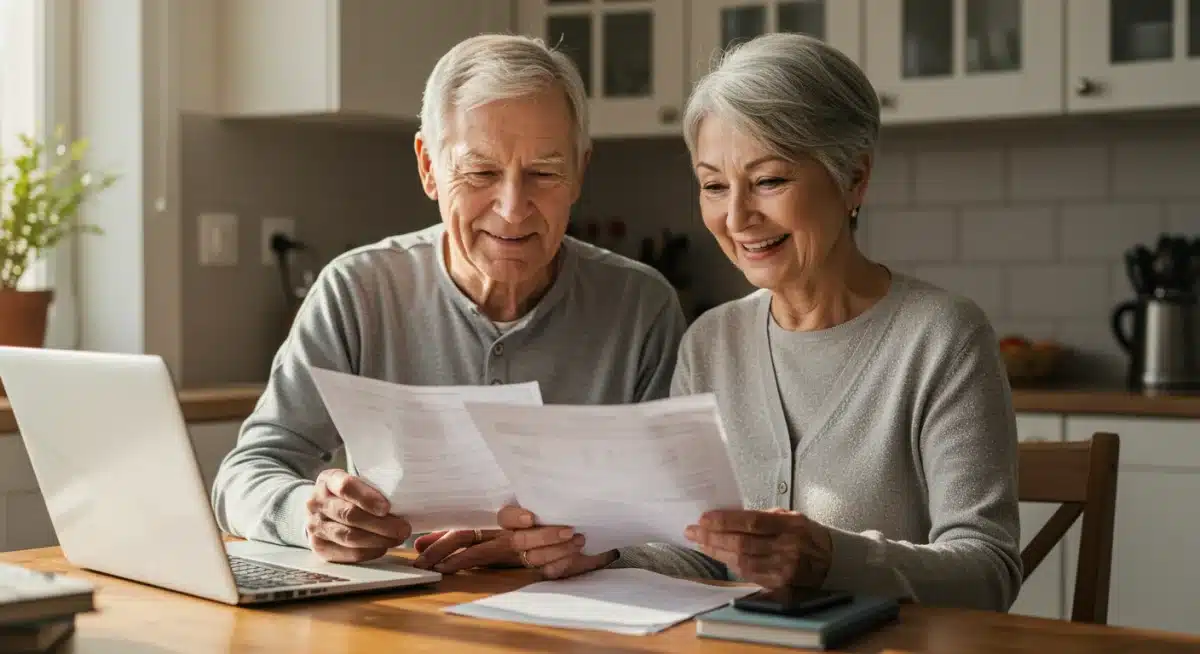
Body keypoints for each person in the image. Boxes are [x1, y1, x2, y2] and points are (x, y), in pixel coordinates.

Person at [500, 33, 1023, 612]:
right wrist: (604, 554)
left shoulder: (942, 337)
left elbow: (989, 572)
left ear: (853, 178)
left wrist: (829, 557)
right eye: (714, 186)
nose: (738, 216)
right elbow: (699, 552)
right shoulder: (710, 342)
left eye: (770, 180)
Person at [210, 33, 688, 573]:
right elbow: (245, 474)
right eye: (481, 172)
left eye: (544, 172)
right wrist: (310, 516)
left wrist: (591, 544)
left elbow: (682, 528)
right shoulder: (356, 292)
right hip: (393, 619)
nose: (512, 209)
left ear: (579, 170)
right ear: (428, 167)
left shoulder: (642, 307)